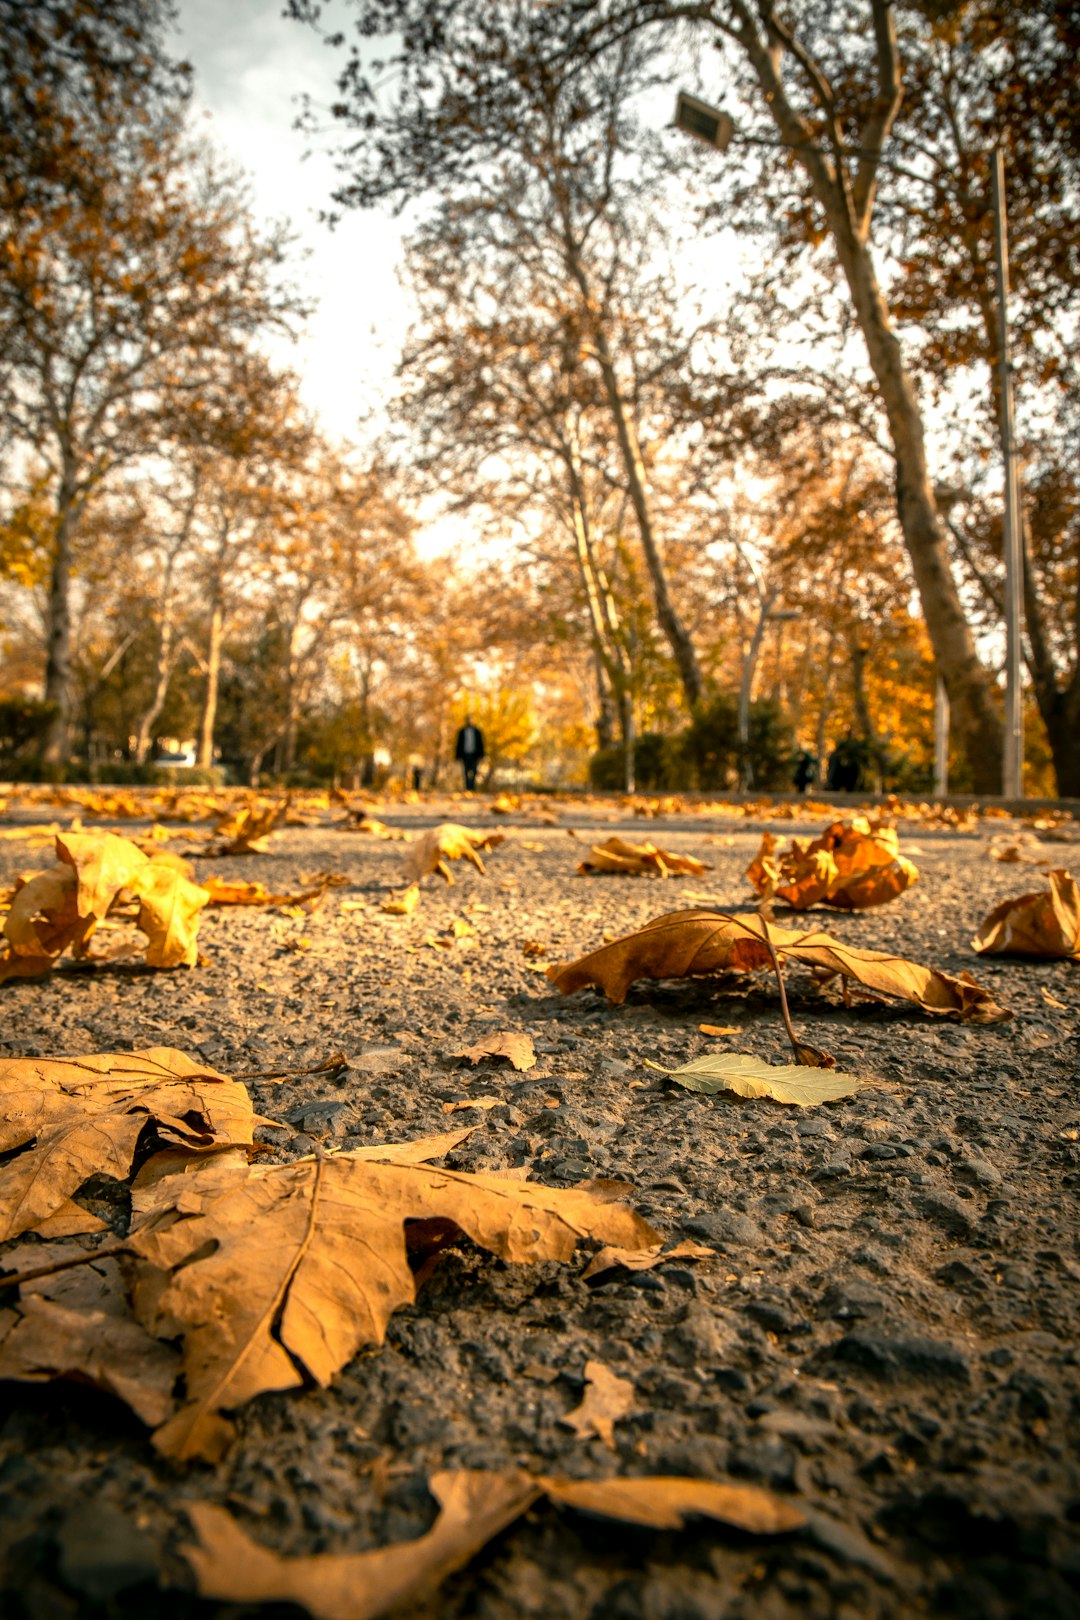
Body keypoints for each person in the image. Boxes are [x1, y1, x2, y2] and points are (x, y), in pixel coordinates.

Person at [454, 715, 485, 791]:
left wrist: (482, 755)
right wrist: (457, 755)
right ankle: (468, 788)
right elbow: (458, 744)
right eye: (468, 720)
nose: (469, 721)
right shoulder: (462, 731)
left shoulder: (477, 731)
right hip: (465, 754)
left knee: (474, 770)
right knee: (466, 771)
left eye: (470, 720)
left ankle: (472, 787)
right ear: (466, 721)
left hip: (474, 754)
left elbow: (480, 743)